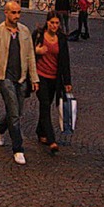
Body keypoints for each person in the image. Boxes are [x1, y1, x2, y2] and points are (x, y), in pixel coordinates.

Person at [0, 1, 39, 165]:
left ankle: (0, 127)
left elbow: (30, 56)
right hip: (4, 77)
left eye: (18, 12)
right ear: (6, 13)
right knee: (14, 113)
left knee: (17, 111)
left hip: (21, 77)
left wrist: (34, 78)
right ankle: (18, 149)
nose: (17, 16)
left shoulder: (25, 31)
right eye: (13, 12)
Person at [32, 11, 72, 154]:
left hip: (54, 78)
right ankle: (51, 139)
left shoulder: (61, 38)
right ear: (47, 22)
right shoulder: (38, 34)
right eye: (52, 22)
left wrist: (67, 81)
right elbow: (28, 52)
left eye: (57, 23)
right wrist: (36, 51)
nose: (54, 25)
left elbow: (65, 60)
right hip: (39, 76)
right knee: (44, 104)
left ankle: (40, 131)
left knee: (47, 104)